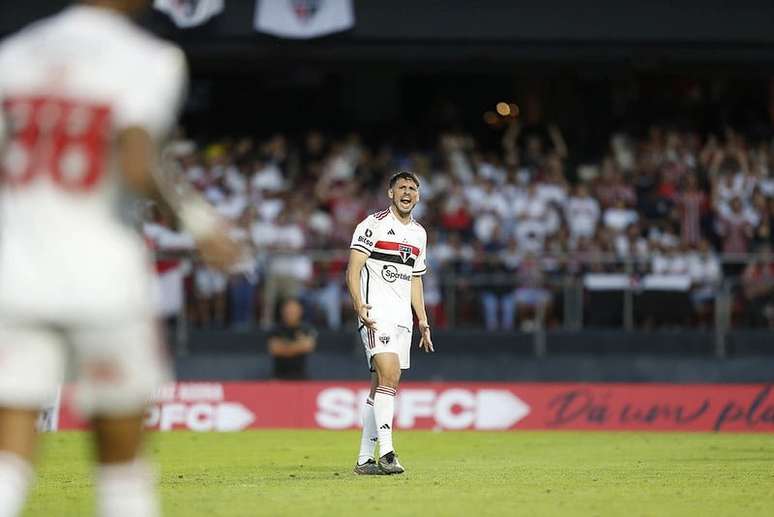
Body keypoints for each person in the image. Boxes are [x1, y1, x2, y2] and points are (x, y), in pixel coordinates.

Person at [0, 2, 239, 516]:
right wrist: (199, 223)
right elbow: (135, 161)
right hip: (100, 276)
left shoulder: (13, 55)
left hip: (15, 274)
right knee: (122, 468)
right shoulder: (148, 58)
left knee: (7, 458)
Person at [346, 171, 434, 475]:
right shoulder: (373, 225)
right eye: (401, 188)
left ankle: (363, 460)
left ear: (418, 196)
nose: (407, 193)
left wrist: (422, 319)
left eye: (412, 188)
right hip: (375, 314)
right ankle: (387, 452)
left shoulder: (419, 234)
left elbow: (415, 280)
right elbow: (353, 269)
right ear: (390, 193)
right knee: (390, 373)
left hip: (402, 319)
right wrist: (360, 306)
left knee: (381, 385)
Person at [267, 298, 317, 380]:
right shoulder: (275, 329)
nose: (290, 312)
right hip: (279, 377)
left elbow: (308, 346)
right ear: (282, 311)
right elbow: (274, 349)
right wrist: (299, 346)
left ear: (300, 311)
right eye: (288, 310)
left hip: (302, 378)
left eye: (293, 310)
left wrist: (285, 347)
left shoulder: (306, 329)